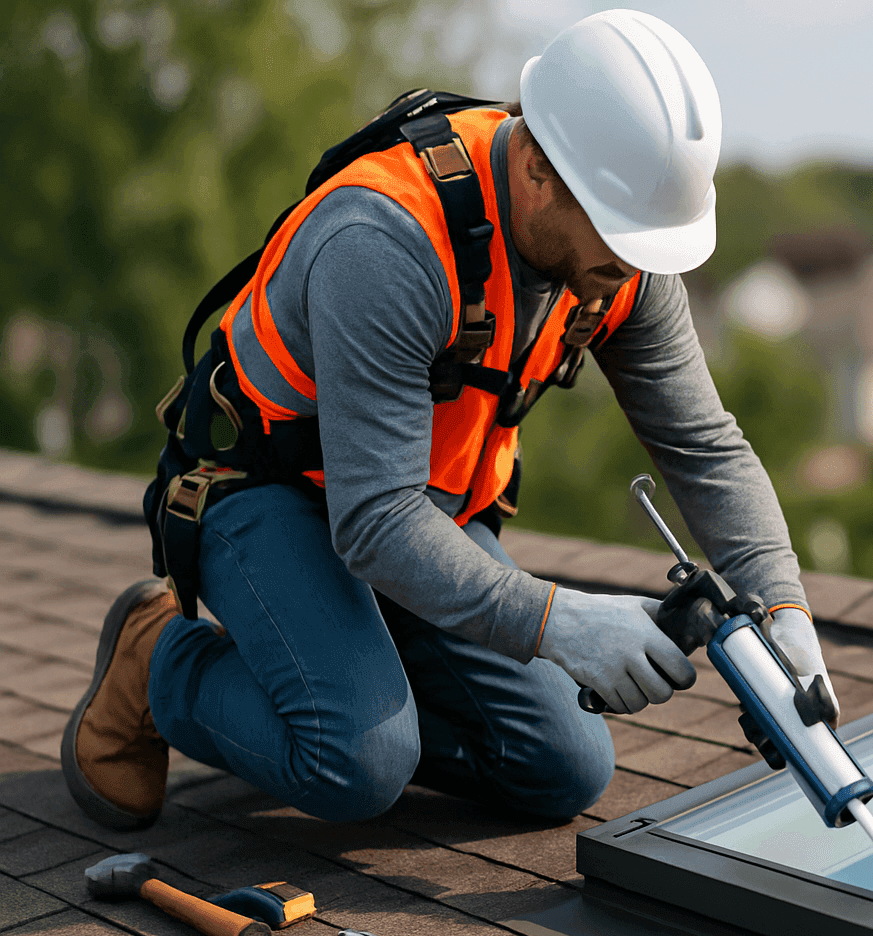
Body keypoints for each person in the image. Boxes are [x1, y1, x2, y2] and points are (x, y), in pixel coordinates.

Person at [61, 9, 830, 831]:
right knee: (354, 763)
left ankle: (333, 681)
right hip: (266, 492)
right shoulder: (386, 242)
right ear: (537, 168)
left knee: (564, 767)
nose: (636, 268)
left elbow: (702, 445)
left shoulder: (620, 250)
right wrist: (555, 620)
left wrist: (784, 611)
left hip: (410, 509)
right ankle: (159, 660)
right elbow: (374, 521)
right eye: (620, 237)